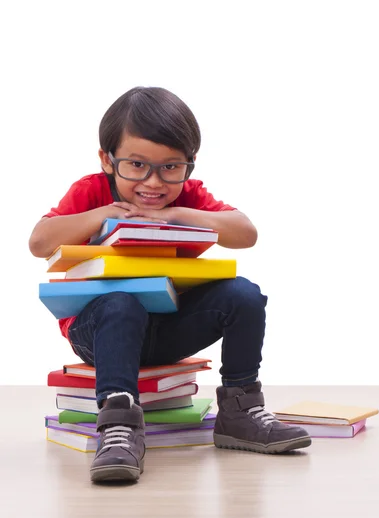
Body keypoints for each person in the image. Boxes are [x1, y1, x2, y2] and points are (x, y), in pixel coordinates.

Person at [29, 86, 311, 484]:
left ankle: (240, 412)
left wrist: (179, 212)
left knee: (243, 294)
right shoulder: (91, 190)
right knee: (121, 302)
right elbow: (39, 242)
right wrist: (104, 213)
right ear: (107, 160)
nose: (154, 182)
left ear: (189, 164)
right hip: (100, 333)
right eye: (136, 165)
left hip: (166, 329)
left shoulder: (187, 197)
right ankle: (118, 425)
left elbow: (245, 233)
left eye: (171, 167)